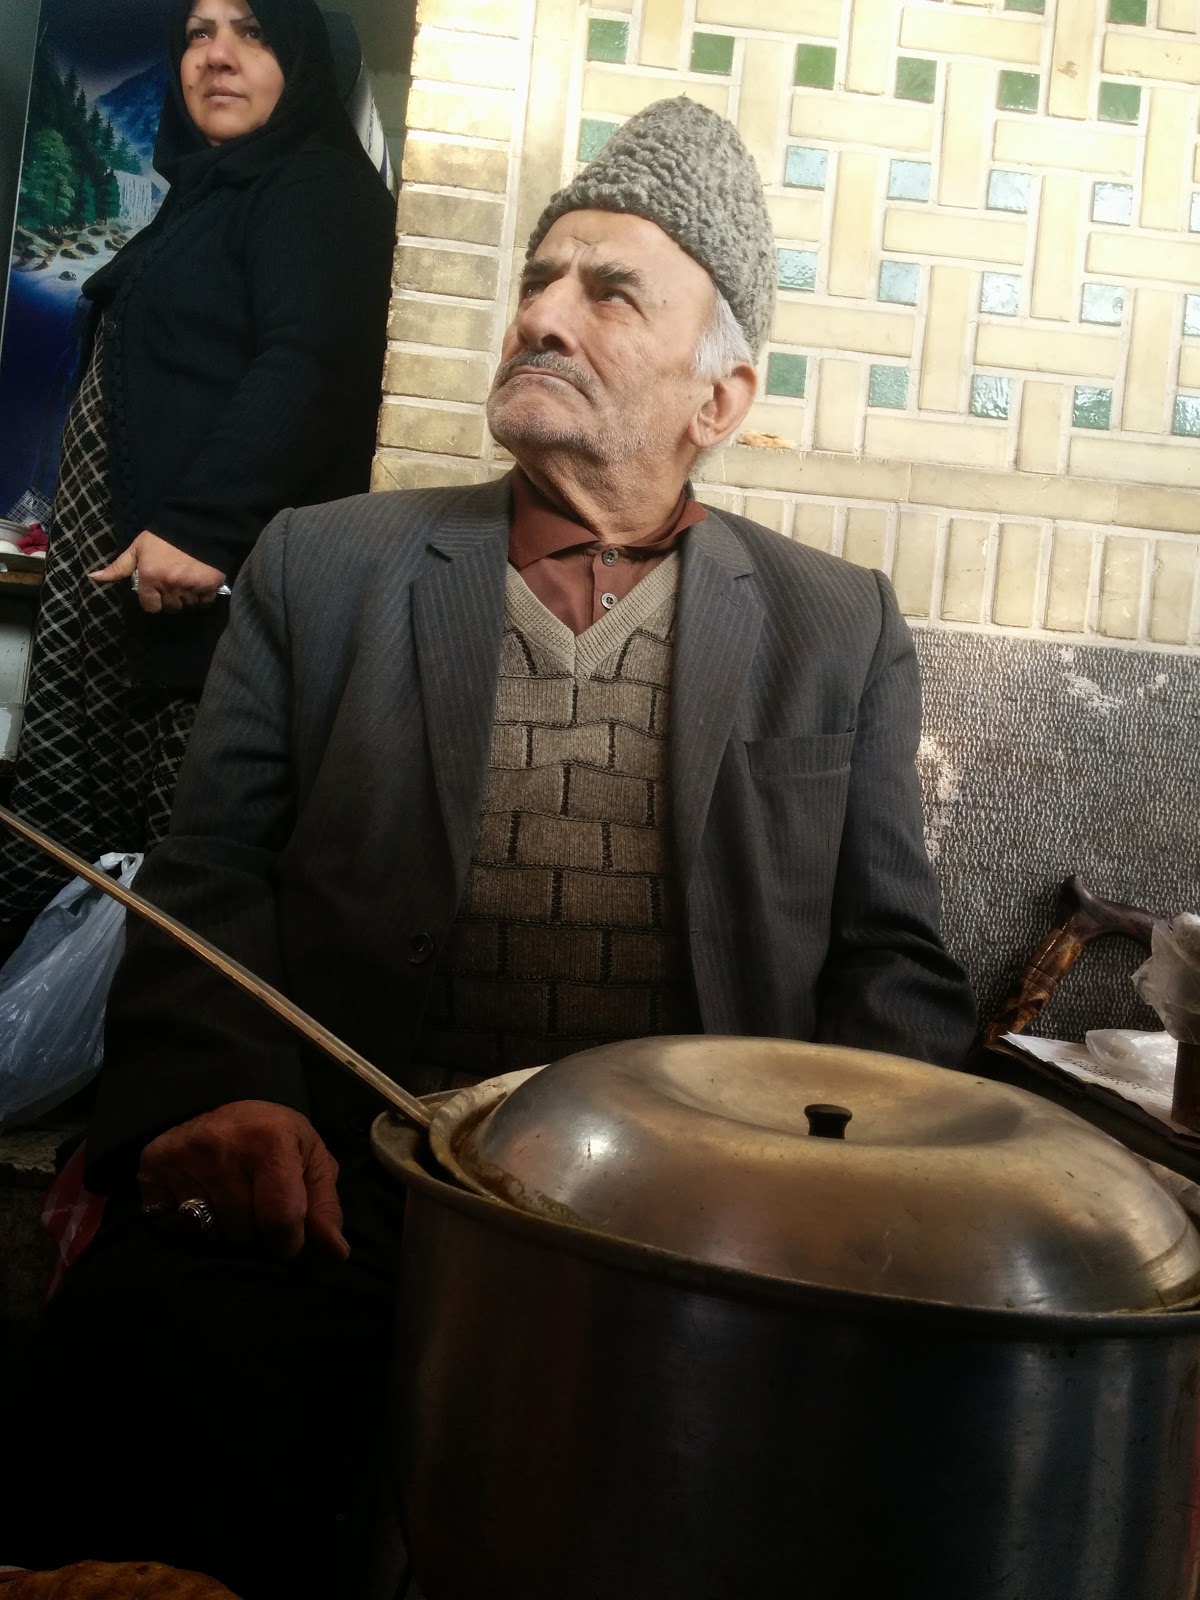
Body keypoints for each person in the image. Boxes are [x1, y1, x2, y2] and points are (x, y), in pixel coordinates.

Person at [0, 99, 976, 1600]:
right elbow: (208, 883)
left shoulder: (833, 627)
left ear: (720, 399)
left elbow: (888, 967)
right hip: (346, 1195)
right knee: (152, 1351)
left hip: (696, 1238)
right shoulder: (325, 567)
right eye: (539, 280)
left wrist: (847, 1212)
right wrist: (221, 1096)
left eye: (608, 290)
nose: (541, 314)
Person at [0, 0, 395, 943]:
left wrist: (205, 527)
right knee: (87, 860)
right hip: (125, 591)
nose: (215, 57)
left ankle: (176, 1082)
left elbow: (313, 364)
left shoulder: (316, 189)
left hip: (200, 605)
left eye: (252, 33)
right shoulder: (213, 194)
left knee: (190, 879)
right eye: (196, 34)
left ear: (303, 61)